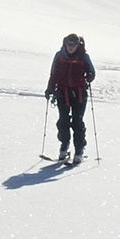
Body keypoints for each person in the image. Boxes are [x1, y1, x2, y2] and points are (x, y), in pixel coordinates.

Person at [46, 33, 96, 162]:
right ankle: (64, 145)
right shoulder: (59, 56)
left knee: (77, 121)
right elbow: (54, 73)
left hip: (79, 94)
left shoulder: (84, 56)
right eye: (69, 45)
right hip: (63, 92)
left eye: (73, 45)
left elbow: (92, 71)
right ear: (65, 44)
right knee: (63, 121)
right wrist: (50, 88)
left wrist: (89, 76)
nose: (71, 47)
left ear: (77, 45)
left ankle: (79, 149)